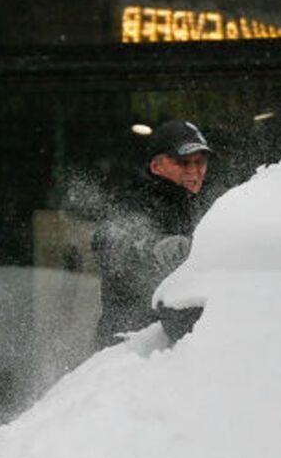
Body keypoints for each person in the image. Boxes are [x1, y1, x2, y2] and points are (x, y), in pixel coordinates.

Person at [91, 119, 213, 347]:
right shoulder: (134, 203)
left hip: (175, 346)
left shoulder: (201, 208)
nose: (194, 171)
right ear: (157, 166)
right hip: (130, 346)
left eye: (200, 162)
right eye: (183, 162)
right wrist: (151, 248)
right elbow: (106, 242)